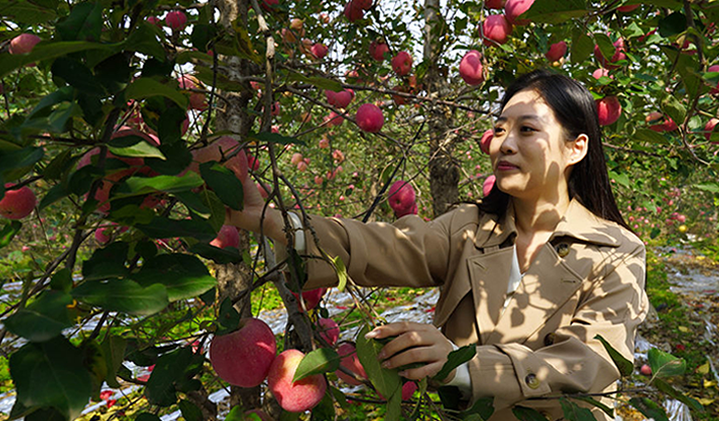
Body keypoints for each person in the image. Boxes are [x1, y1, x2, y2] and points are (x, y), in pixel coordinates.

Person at [226, 69, 648, 420]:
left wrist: (461, 365)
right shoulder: (469, 229)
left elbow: (588, 364)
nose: (505, 143)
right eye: (500, 129)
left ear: (576, 148)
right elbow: (382, 245)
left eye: (526, 129)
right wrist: (270, 221)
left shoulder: (616, 252)